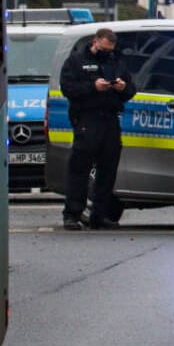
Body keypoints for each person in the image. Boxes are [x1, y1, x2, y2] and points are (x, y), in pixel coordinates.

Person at [59, 28, 136, 230]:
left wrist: (122, 87)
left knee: (108, 169)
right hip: (87, 119)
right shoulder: (76, 61)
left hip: (110, 119)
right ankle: (72, 214)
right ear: (95, 42)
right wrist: (93, 86)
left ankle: (99, 216)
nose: (106, 52)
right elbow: (68, 88)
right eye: (103, 48)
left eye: (109, 49)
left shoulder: (116, 61)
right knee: (80, 168)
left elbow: (130, 90)